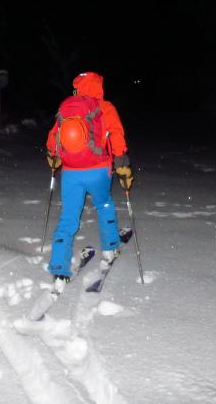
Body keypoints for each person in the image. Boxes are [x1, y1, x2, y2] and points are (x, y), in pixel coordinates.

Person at [45, 71, 133, 285]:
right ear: (98, 87)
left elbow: (54, 136)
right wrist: (122, 164)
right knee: (104, 204)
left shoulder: (67, 107)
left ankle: (59, 265)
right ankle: (110, 247)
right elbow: (116, 135)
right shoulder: (105, 107)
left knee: (68, 217)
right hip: (98, 170)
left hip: (71, 172)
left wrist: (53, 156)